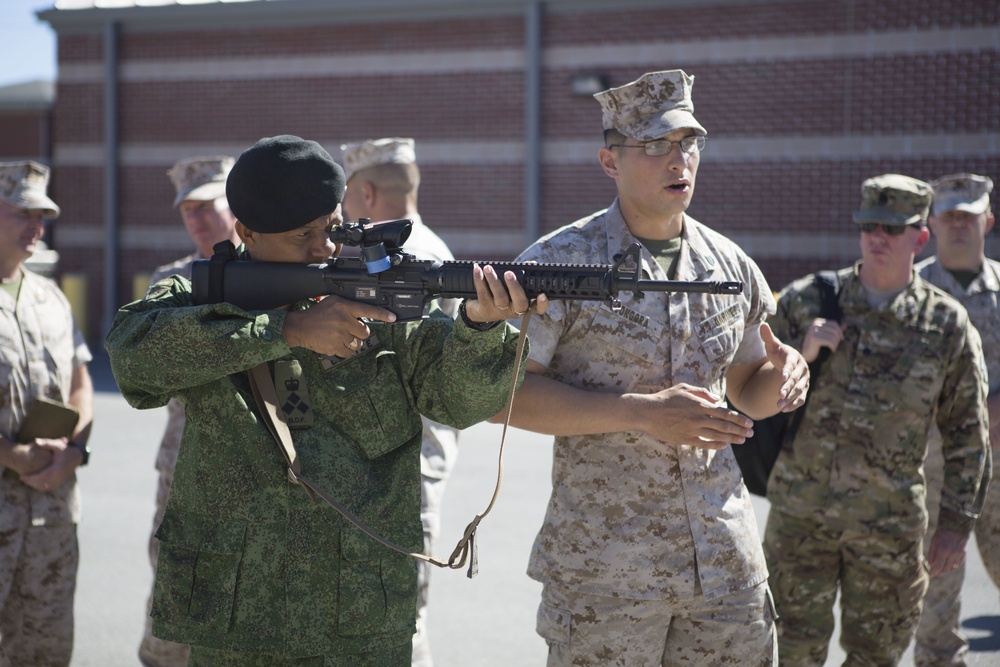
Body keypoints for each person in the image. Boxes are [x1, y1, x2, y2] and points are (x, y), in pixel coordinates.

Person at [105, 134, 541, 665]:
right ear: (245, 232)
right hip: (238, 613)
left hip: (359, 608)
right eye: (302, 235)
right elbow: (134, 357)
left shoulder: (375, 296)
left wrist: (477, 326)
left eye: (331, 228)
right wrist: (285, 329)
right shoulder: (199, 295)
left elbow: (458, 401)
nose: (324, 249)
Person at [498, 70, 809, 666]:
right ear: (609, 161)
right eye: (654, 146)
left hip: (723, 567)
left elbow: (748, 389)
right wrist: (639, 415)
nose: (677, 160)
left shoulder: (729, 264)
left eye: (688, 143)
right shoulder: (558, 265)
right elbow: (503, 396)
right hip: (607, 576)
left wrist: (786, 377)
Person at [763, 173, 991, 667]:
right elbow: (746, 385)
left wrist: (955, 523)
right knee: (791, 653)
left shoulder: (946, 325)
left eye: (892, 228)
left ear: (920, 237)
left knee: (875, 658)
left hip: (888, 530)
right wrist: (801, 354)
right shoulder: (806, 301)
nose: (876, 238)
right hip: (801, 522)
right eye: (869, 225)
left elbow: (968, 433)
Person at [339, 137, 458, 667]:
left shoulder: (401, 262)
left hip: (397, 464)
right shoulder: (437, 252)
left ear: (365, 192)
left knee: (396, 619)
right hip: (413, 459)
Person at [138, 154, 240, 667]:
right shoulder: (171, 281)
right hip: (183, 468)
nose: (198, 219)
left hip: (254, 473)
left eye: (208, 206)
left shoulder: (274, 279)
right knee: (175, 594)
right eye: (188, 211)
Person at [0, 160, 94, 665]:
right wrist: (14, 456)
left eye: (43, 214)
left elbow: (81, 381)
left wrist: (72, 454)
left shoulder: (49, 297)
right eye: (23, 212)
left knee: (45, 654)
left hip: (51, 524)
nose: (37, 226)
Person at [913, 172, 999, 667]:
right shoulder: (912, 290)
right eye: (949, 217)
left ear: (988, 220)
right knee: (936, 616)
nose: (959, 225)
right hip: (934, 477)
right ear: (931, 223)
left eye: (969, 216)